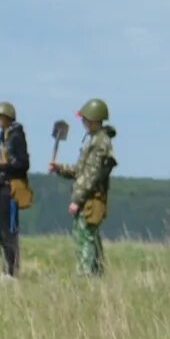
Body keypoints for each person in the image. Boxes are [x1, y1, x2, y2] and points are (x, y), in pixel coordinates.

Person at [50, 98, 116, 276]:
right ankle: (94, 274)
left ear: (94, 119)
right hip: (87, 196)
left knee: (85, 236)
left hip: (90, 198)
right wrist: (60, 168)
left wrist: (77, 200)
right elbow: (80, 170)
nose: (83, 122)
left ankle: (86, 275)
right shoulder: (94, 140)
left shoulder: (100, 143)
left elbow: (91, 176)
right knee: (89, 236)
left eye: (85, 119)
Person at [0, 101, 31, 278]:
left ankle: (12, 271)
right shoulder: (3, 136)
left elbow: (22, 164)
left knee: (9, 230)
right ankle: (6, 269)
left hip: (10, 188)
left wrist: (0, 167)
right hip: (0, 185)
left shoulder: (17, 136)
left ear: (7, 117)